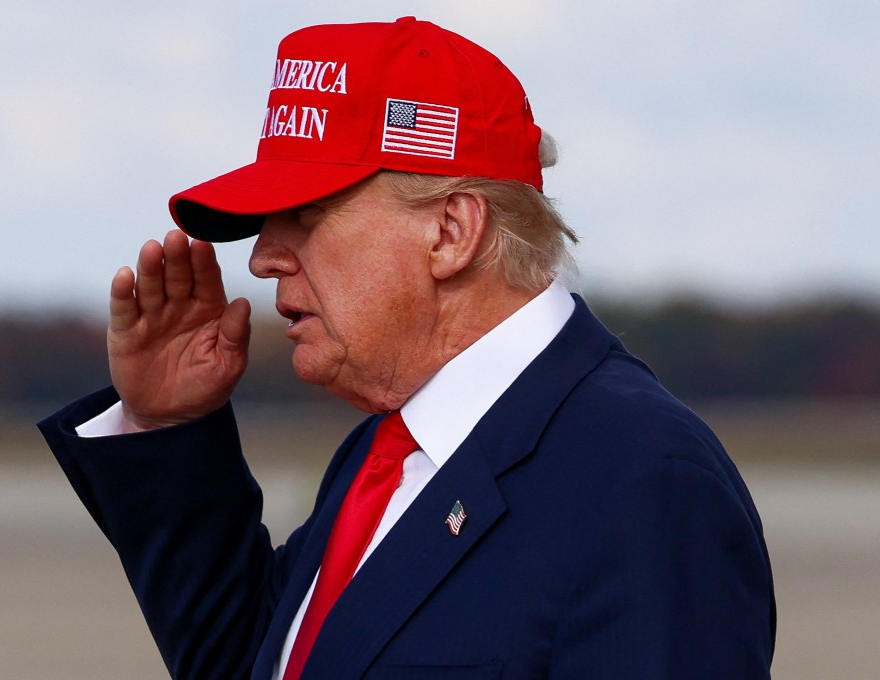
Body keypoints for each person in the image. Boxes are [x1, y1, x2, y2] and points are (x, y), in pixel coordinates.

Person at [39, 17, 775, 680]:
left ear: (451, 231)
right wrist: (169, 427)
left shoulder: (641, 478)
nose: (262, 258)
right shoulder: (386, 451)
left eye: (306, 214)